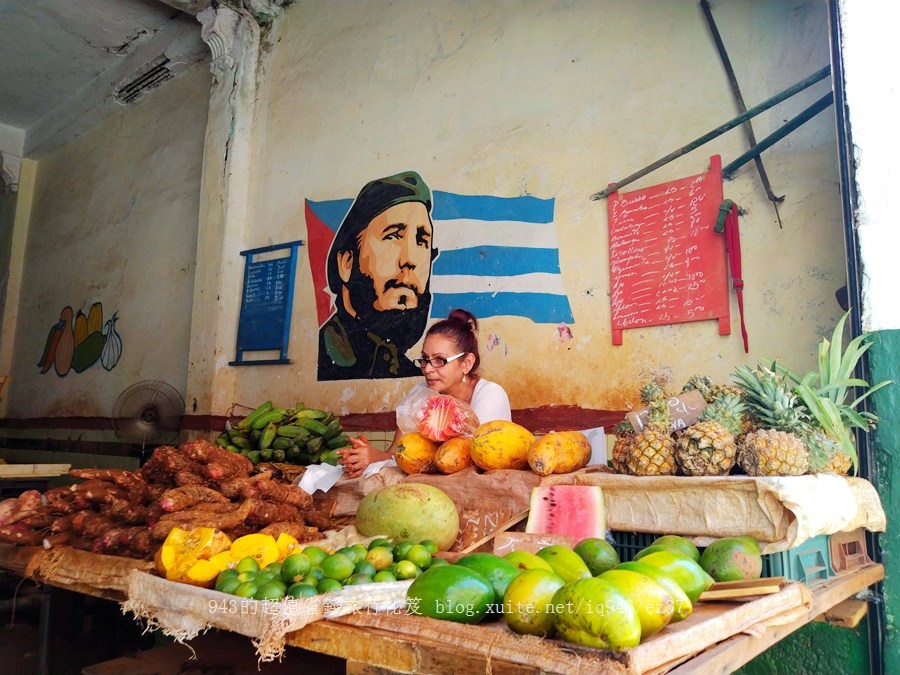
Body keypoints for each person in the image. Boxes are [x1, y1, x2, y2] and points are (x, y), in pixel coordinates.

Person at [338, 308, 511, 478]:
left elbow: (471, 460)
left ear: (466, 363)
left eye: (439, 360)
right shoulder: (421, 393)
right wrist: (371, 456)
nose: (428, 369)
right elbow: (396, 455)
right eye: (425, 359)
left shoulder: (490, 395)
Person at [318, 170, 437, 380]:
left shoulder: (410, 372)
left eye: (421, 240)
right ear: (346, 262)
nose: (409, 259)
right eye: (392, 236)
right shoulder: (325, 355)